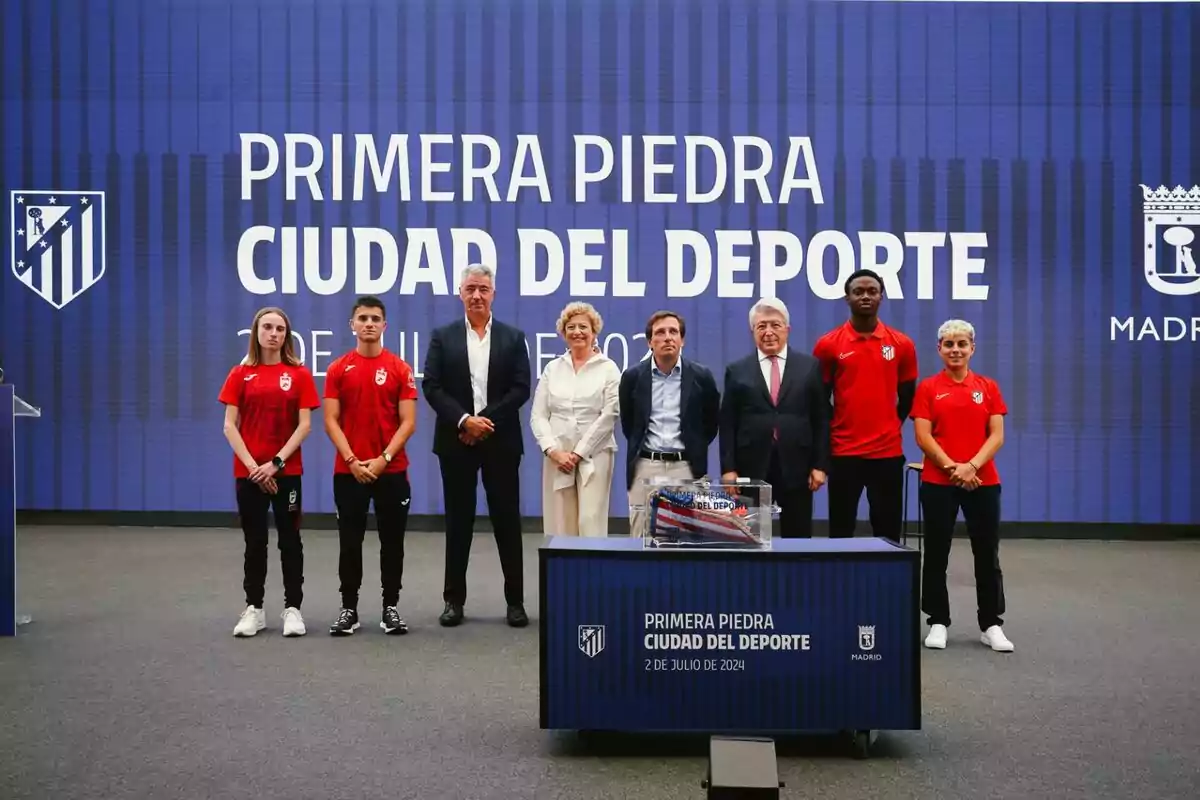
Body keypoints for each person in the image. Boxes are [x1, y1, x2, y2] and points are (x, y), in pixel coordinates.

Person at [423, 265, 532, 628]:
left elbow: (520, 389)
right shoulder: (443, 336)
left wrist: (482, 421)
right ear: (460, 293)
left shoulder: (513, 338)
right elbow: (433, 387)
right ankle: (453, 601)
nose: (477, 296)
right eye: (470, 289)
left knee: (507, 522)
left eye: (483, 289)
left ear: (494, 294)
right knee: (458, 523)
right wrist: (463, 421)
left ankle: (515, 602)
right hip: (456, 442)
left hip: (500, 442)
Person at [910, 319, 1013, 652]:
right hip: (939, 481)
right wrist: (952, 467)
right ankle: (938, 621)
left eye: (962, 344)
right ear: (939, 349)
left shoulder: (988, 386)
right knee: (937, 552)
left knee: (987, 554)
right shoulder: (927, 388)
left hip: (983, 481)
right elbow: (923, 436)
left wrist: (971, 466)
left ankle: (991, 624)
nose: (956, 349)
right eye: (949, 344)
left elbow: (997, 435)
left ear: (972, 348)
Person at [218, 307, 320, 638]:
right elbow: (229, 426)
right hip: (249, 474)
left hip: (286, 472)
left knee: (290, 540)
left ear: (286, 335)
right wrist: (254, 468)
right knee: (255, 541)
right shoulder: (239, 373)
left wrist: (275, 464)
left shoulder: (300, 374)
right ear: (256, 332)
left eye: (279, 328)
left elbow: (304, 425)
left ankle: (293, 609)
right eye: (267, 327)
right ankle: (255, 609)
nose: (273, 333)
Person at [323, 296, 418, 637]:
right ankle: (349, 609)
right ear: (352, 324)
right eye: (362, 318)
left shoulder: (400, 369)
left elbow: (408, 423)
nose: (368, 324)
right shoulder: (337, 369)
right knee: (350, 542)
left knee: (392, 543)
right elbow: (330, 420)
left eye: (375, 318)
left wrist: (382, 460)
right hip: (348, 473)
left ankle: (390, 608)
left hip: (391, 472)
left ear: (384, 326)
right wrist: (352, 460)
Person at [813, 269, 917, 542]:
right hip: (844, 452)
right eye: (858, 292)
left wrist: (890, 424)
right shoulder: (828, 345)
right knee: (841, 530)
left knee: (887, 531)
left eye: (872, 291)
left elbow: (907, 397)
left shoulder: (902, 344)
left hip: (887, 453)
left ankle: (887, 585)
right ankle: (839, 584)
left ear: (881, 296)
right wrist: (840, 425)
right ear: (847, 298)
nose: (866, 296)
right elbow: (820, 399)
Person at [720, 298, 829, 539]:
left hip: (797, 466)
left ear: (787, 329)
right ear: (752, 331)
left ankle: (797, 578)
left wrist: (820, 465)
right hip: (751, 466)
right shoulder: (737, 370)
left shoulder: (809, 367)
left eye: (775, 325)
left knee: (798, 537)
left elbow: (821, 418)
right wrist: (729, 469)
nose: (768, 332)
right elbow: (728, 423)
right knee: (749, 538)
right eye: (761, 326)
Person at [619, 311, 720, 536]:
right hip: (646, 465)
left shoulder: (701, 377)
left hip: (686, 467)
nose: (667, 337)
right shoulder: (632, 377)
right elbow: (630, 425)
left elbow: (710, 425)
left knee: (687, 539)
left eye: (673, 332)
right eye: (660, 333)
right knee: (640, 539)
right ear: (650, 341)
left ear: (682, 340)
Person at [530, 302, 622, 538]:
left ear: (594, 332)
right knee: (560, 523)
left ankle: (594, 574)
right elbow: (538, 415)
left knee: (590, 522)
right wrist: (552, 451)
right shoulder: (552, 368)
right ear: (563, 333)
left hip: (596, 455)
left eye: (583, 326)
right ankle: (561, 574)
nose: (577, 332)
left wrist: (579, 453)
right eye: (570, 327)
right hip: (557, 457)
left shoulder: (608, 368)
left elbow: (610, 414)